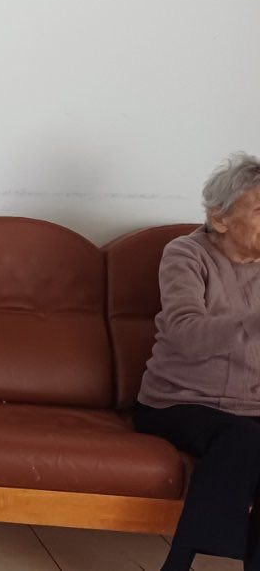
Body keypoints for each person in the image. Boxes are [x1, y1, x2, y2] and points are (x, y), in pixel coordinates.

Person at [135, 152, 260, 571]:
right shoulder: (186, 255)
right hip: (179, 401)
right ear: (220, 218)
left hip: (252, 407)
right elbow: (186, 334)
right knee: (243, 438)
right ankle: (182, 561)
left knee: (248, 435)